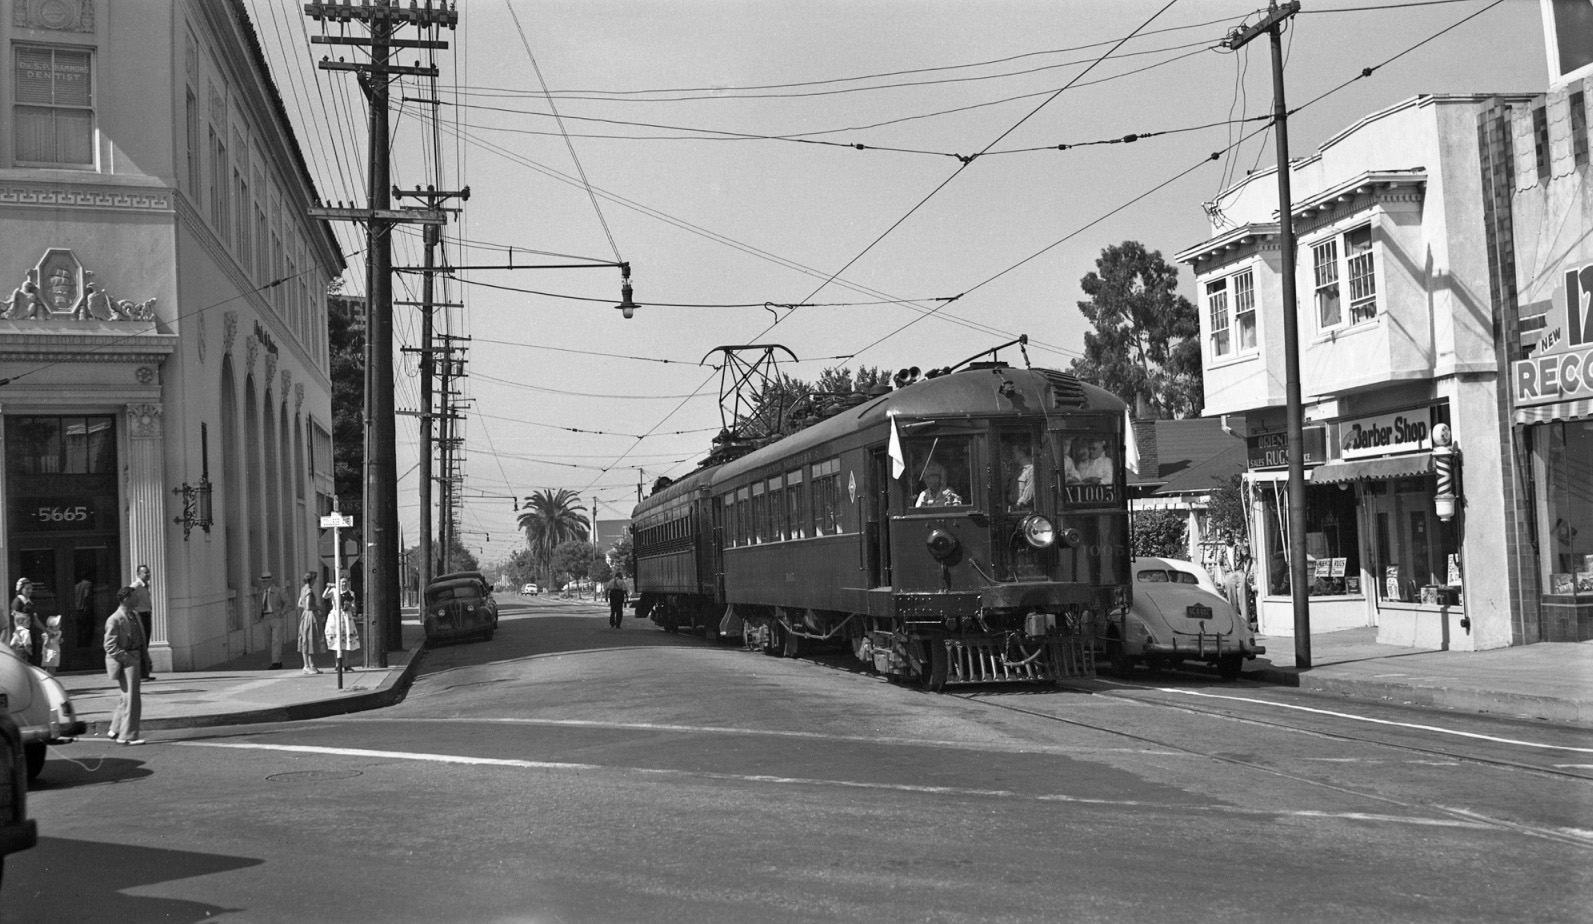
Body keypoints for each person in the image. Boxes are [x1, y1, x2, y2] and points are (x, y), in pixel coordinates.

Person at [104, 586, 146, 745]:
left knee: (126, 697)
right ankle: (127, 736)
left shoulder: (134, 615)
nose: (138, 599)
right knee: (133, 699)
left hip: (136, 656)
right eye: (135, 596)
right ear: (126, 599)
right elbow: (109, 645)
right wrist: (127, 659)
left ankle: (115, 729)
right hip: (126, 660)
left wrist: (145, 657)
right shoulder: (115, 619)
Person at [323, 575, 360, 671]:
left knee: (346, 640)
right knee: (335, 640)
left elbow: (353, 607)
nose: (344, 584)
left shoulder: (351, 593)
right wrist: (329, 587)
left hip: (346, 616)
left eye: (345, 582)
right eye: (342, 582)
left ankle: (346, 664)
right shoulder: (334, 591)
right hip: (335, 616)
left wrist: (349, 607)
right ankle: (337, 664)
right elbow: (324, 596)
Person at [9, 579, 45, 667]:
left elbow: (35, 619)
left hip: (30, 634)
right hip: (22, 637)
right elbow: (17, 621)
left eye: (31, 588)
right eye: (27, 588)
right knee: (23, 662)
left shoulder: (28, 602)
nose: (30, 590)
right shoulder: (17, 601)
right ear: (20, 589)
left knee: (31, 662)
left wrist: (46, 630)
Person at [128, 564, 155, 680]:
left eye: (148, 572)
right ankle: (141, 673)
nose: (148, 574)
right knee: (141, 643)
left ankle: (144, 672)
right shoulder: (137, 585)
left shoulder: (145, 585)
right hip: (140, 615)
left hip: (146, 614)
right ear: (138, 574)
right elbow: (127, 595)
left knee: (145, 643)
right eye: (145, 572)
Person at [296, 571, 322, 674]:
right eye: (315, 578)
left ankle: (310, 665)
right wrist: (318, 607)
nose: (316, 580)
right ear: (311, 579)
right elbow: (307, 606)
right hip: (310, 616)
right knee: (310, 640)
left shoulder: (303, 589)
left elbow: (299, 604)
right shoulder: (309, 591)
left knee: (306, 640)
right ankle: (308, 665)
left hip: (305, 616)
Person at [259, 571, 285, 669]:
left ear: (270, 581)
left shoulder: (278, 591)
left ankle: (275, 662)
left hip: (276, 618)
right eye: (263, 581)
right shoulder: (261, 592)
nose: (264, 583)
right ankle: (277, 660)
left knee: (276, 641)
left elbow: (287, 603)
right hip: (265, 618)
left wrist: (281, 612)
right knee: (269, 642)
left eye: (265, 581)